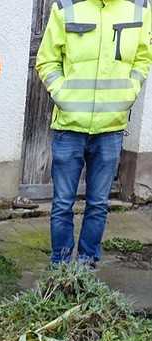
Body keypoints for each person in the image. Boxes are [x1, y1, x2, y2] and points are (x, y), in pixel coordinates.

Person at [36, 0, 151, 267]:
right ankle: (61, 269)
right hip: (69, 125)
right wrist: (63, 96)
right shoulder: (66, 7)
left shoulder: (138, 8)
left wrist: (129, 93)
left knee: (98, 204)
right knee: (62, 204)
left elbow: (144, 57)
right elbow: (46, 60)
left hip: (110, 127)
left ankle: (87, 267)